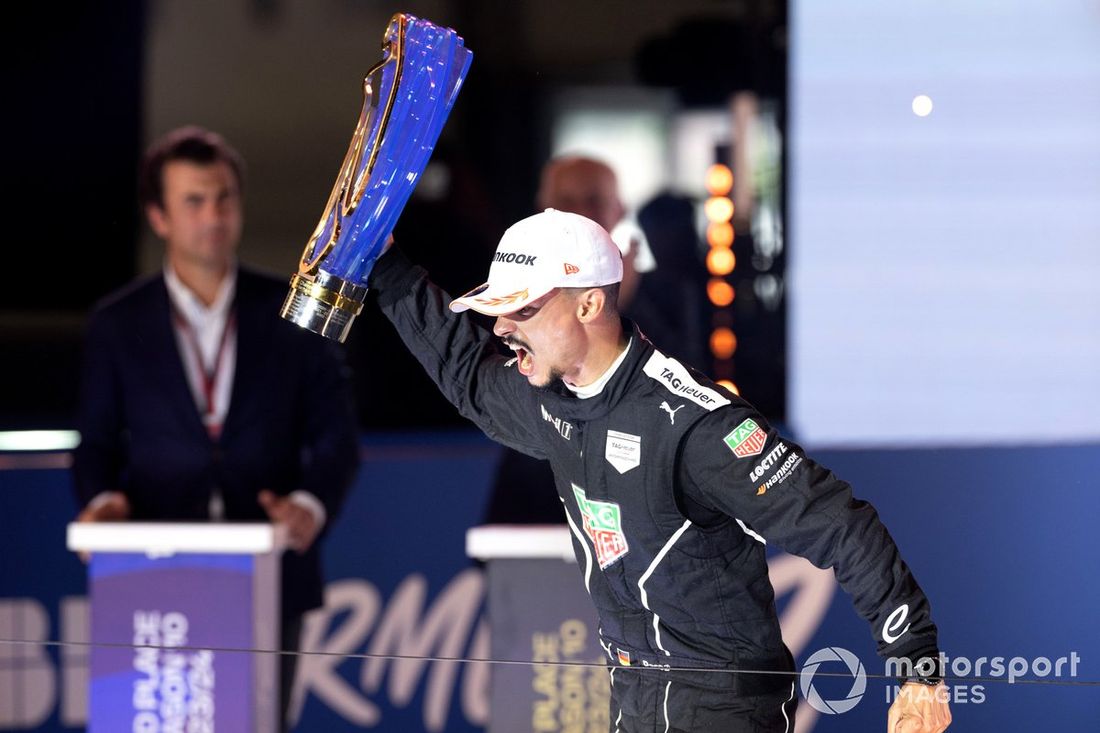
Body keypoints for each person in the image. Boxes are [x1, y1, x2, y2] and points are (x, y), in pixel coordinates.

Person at [367, 209, 951, 732]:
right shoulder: (551, 400)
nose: (501, 328)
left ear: (589, 305)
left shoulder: (697, 427)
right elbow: (466, 372)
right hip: (633, 697)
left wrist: (917, 671)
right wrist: (384, 261)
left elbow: (843, 527)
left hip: (724, 708)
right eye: (498, 311)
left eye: (522, 309)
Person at [72, 126, 360, 731]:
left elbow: (338, 436)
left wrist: (309, 507)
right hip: (152, 562)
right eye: (194, 201)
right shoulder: (117, 323)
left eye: (224, 197)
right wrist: (101, 504)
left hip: (271, 566)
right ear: (159, 217)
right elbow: (94, 443)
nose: (213, 215)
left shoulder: (294, 310)